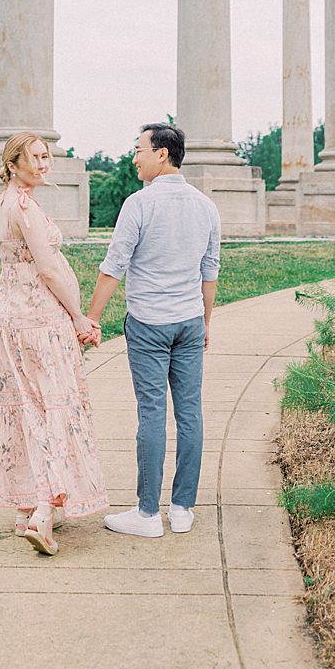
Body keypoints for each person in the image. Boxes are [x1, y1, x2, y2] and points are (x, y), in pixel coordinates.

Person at [86, 122, 220, 537]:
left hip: (148, 324)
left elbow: (115, 266)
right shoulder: (206, 206)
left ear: (162, 154)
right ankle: (181, 509)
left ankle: (147, 514)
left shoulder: (139, 204)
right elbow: (209, 272)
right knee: (190, 413)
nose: (134, 157)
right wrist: (205, 323)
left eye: (139, 149)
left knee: (151, 415)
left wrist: (91, 317)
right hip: (189, 322)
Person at [0, 132, 108, 555]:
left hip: (7, 317)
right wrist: (79, 317)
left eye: (47, 156)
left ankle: (23, 508)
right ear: (14, 162)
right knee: (52, 409)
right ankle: (43, 508)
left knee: (22, 406)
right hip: (39, 320)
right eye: (37, 157)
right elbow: (50, 269)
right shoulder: (24, 207)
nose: (45, 164)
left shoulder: (1, 204)